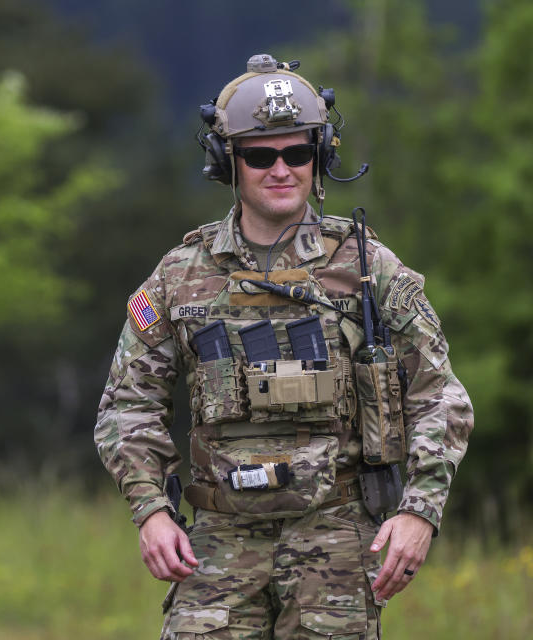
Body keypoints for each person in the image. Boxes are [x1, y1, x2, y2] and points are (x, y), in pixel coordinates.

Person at [94, 53, 473, 639]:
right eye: (260, 155)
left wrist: (418, 510)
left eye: (297, 153)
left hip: (338, 544)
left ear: (318, 158)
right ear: (228, 162)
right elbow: (127, 405)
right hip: (217, 546)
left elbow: (440, 397)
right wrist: (151, 509)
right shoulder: (177, 276)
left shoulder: (369, 267)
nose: (281, 169)